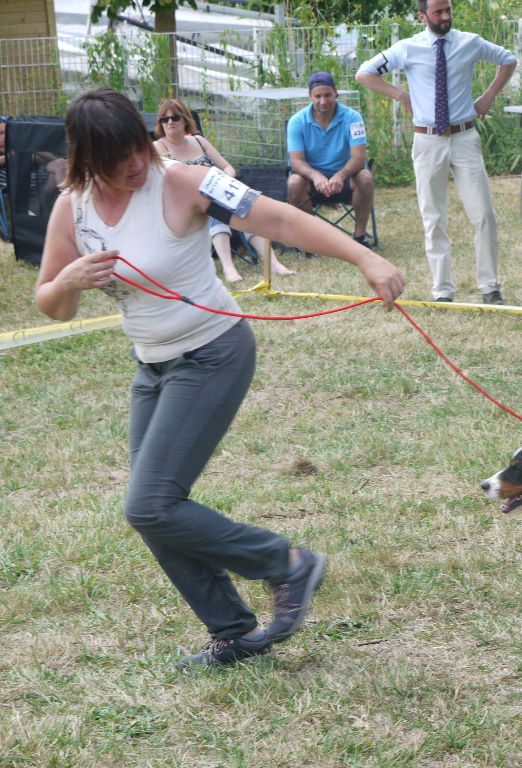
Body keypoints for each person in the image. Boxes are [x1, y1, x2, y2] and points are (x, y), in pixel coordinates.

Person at [36, 88, 405, 669]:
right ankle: (233, 631)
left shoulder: (182, 180)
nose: (137, 165)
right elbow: (50, 304)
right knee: (155, 508)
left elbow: (278, 217)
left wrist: (365, 258)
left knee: (149, 503)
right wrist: (69, 282)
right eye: (118, 160)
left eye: (139, 148)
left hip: (213, 352)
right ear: (87, 161)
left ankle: (286, 564)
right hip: (152, 366)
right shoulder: (72, 208)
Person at [357, 0, 516, 304]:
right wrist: (401, 95)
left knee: (483, 214)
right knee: (433, 217)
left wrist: (488, 97)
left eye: (448, 10)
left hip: (464, 137)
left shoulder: (469, 43)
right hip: (428, 141)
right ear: (422, 16)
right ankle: (442, 290)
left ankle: (490, 287)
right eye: (438, 12)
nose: (445, 17)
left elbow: (508, 59)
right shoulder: (407, 48)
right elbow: (365, 73)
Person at [154, 98, 295, 283]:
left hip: (216, 192)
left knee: (243, 205)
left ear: (185, 120)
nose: (170, 122)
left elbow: (228, 168)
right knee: (216, 205)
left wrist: (223, 180)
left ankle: (273, 263)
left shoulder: (199, 141)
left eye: (175, 117)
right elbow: (165, 182)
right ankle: (228, 267)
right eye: (165, 119)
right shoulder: (159, 147)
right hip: (186, 204)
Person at [287, 72, 375, 247]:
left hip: (345, 180)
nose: (323, 101)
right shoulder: (296, 121)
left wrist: (340, 176)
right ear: (310, 96)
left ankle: (359, 237)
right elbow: (296, 162)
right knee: (293, 182)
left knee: (365, 177)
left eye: (327, 95)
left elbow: (359, 158)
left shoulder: (354, 118)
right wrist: (316, 176)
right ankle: (309, 238)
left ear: (336, 93)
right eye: (317, 96)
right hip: (312, 183)